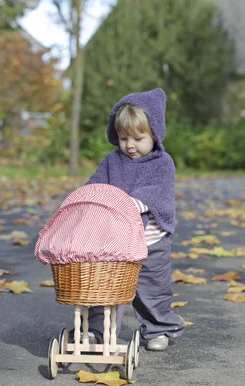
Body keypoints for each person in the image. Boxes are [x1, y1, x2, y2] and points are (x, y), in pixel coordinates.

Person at [82, 88, 185, 351]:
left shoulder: (162, 163)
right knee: (102, 285)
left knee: (152, 290)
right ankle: (97, 330)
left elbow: (159, 194)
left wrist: (133, 202)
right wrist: (88, 199)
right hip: (113, 241)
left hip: (150, 242)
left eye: (138, 138)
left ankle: (157, 330)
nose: (130, 145)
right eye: (123, 137)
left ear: (155, 135)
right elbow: (95, 185)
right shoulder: (112, 161)